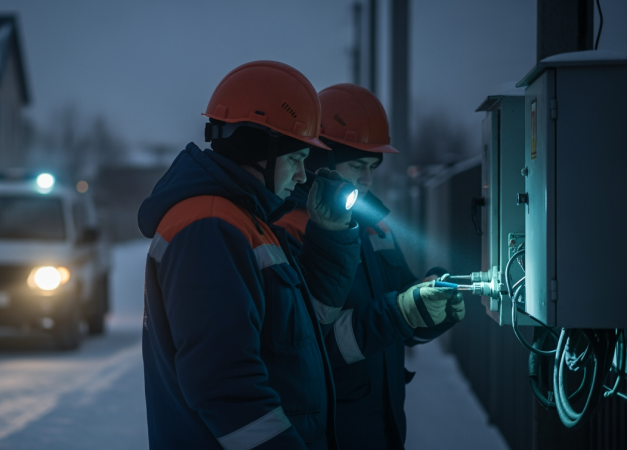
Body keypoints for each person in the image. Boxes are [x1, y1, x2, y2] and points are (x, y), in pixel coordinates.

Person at [138, 61, 362, 449]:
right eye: (295, 159)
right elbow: (225, 386)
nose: (301, 176)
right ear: (259, 150)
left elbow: (306, 325)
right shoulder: (211, 227)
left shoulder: (246, 220)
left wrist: (328, 233)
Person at [275, 83, 465, 449]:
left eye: (373, 167)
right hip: (333, 429)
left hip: (383, 423)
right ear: (320, 166)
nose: (367, 179)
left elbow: (402, 314)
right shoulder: (291, 229)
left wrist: (431, 306)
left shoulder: (375, 225)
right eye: (358, 165)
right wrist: (402, 312)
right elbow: (309, 344)